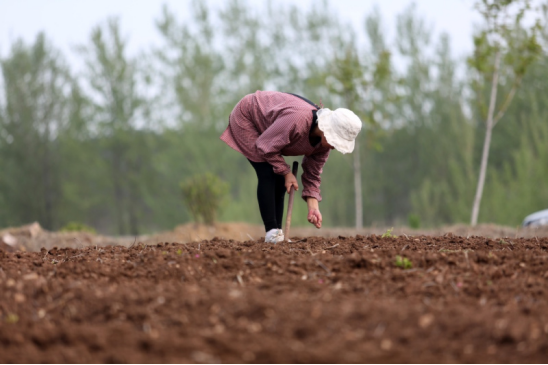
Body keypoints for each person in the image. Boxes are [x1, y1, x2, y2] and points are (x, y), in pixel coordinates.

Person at [220, 91, 363, 243]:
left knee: (281, 179)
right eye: (336, 141)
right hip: (248, 116)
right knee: (268, 172)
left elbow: (312, 174)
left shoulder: (324, 146)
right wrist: (287, 173)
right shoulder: (297, 121)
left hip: (270, 133)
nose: (335, 147)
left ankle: (277, 234)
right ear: (326, 131)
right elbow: (265, 146)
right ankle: (272, 233)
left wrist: (313, 206)